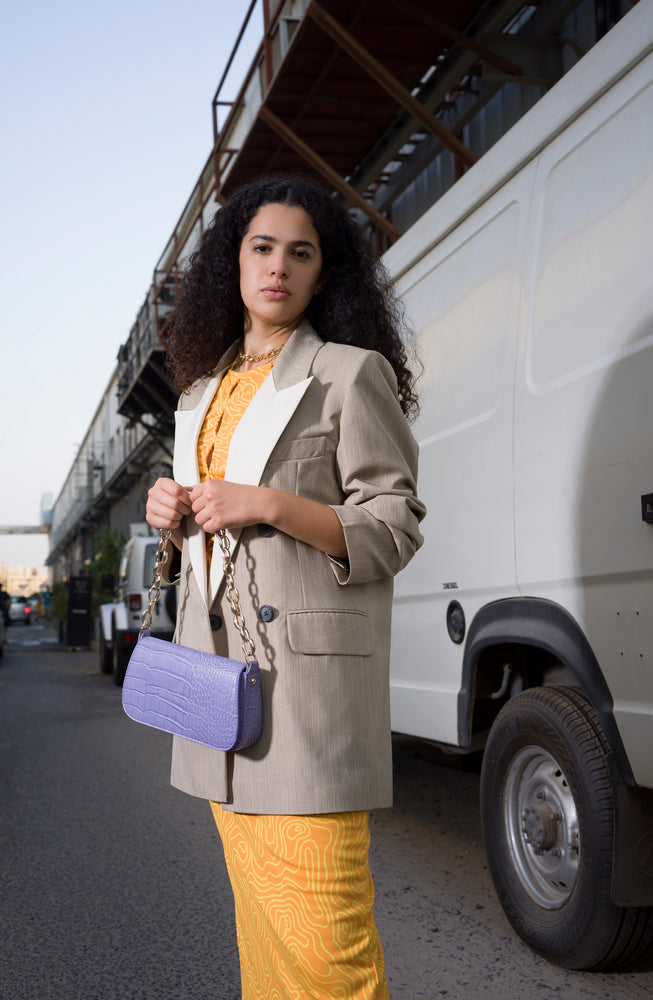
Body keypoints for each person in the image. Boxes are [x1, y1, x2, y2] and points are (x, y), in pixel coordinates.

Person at [145, 175, 426, 999]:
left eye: (299, 253)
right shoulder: (198, 396)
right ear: (230, 264)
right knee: (262, 930)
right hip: (213, 690)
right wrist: (172, 513)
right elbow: (207, 537)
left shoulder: (348, 373)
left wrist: (268, 503)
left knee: (326, 945)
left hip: (304, 696)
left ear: (321, 271)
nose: (278, 267)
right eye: (261, 248)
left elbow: (394, 526)